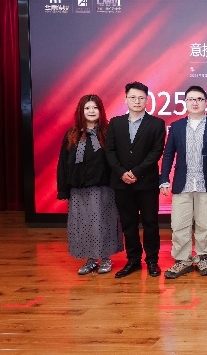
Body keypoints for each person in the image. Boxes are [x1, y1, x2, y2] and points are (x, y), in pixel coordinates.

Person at [159, 86, 207, 279]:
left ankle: (203, 258)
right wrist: (164, 179)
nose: (195, 103)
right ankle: (183, 260)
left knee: (205, 224)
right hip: (183, 183)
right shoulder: (177, 126)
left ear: (206, 102)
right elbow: (168, 154)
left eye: (199, 99)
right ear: (186, 102)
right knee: (180, 224)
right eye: (191, 99)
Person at [105, 82, 166, 278]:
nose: (137, 101)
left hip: (147, 182)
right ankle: (133, 260)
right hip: (121, 182)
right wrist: (122, 172)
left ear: (147, 100)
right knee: (128, 223)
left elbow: (156, 151)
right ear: (126, 99)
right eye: (133, 97)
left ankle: (152, 260)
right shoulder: (115, 123)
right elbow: (110, 151)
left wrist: (137, 172)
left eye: (141, 98)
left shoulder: (157, 123)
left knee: (150, 222)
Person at [57, 94, 123, 275]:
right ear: (81, 111)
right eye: (87, 108)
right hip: (79, 190)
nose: (91, 111)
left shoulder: (109, 133)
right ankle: (91, 259)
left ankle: (106, 258)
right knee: (83, 224)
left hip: (104, 189)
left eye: (95, 108)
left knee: (104, 223)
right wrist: (63, 189)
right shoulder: (71, 135)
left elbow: (117, 161)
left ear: (101, 110)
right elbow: (63, 163)